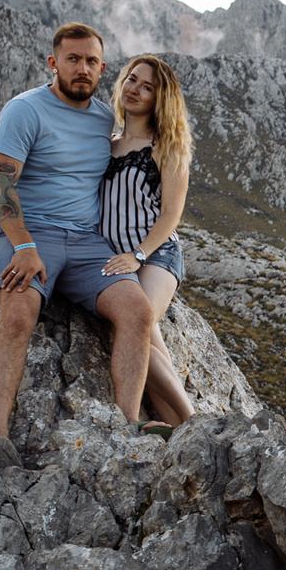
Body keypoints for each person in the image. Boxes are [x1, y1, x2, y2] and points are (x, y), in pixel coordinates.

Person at [0, 21, 163, 439]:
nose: (82, 68)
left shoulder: (104, 119)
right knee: (18, 315)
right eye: (73, 59)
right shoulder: (24, 109)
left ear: (102, 70)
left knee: (137, 312)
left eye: (92, 61)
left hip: (87, 243)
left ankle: (126, 425)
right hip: (31, 235)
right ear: (53, 63)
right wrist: (24, 246)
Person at [100, 55, 196, 428]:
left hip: (156, 256)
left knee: (137, 325)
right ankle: (174, 429)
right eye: (131, 79)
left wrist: (139, 254)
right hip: (114, 256)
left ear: (160, 99)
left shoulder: (166, 146)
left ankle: (193, 422)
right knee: (148, 339)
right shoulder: (105, 143)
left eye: (147, 86)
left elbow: (172, 212)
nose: (134, 89)